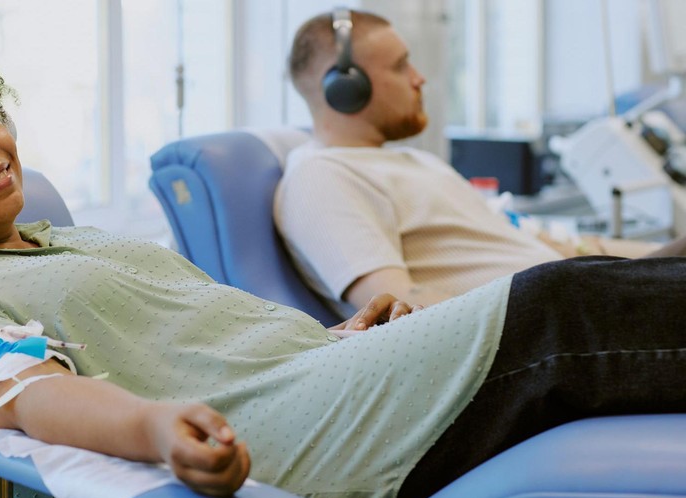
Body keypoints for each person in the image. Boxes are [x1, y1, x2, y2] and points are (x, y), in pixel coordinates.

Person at [0, 50, 686, 498]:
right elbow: (18, 393)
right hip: (282, 453)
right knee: (561, 308)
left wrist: (336, 338)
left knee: (572, 304)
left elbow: (210, 344)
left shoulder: (74, 242)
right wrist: (156, 429)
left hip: (329, 388)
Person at [275, 8, 683, 318]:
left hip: (577, 298)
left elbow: (550, 247)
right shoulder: (321, 177)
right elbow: (395, 308)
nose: (420, 78)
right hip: (553, 322)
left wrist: (655, 255)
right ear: (345, 89)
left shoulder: (415, 162)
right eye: (401, 67)